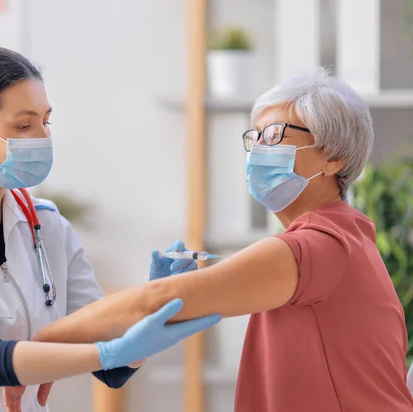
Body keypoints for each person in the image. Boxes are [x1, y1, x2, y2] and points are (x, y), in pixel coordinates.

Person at [29, 68, 413, 412]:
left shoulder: (320, 246)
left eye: (276, 135)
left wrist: (29, 352)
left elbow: (157, 302)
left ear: (334, 158)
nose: (260, 150)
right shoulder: (346, 236)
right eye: (256, 137)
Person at [0, 47, 221, 412]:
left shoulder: (48, 224)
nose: (41, 136)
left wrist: (150, 310)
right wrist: (107, 351)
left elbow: (112, 369)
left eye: (45, 122)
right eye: (24, 125)